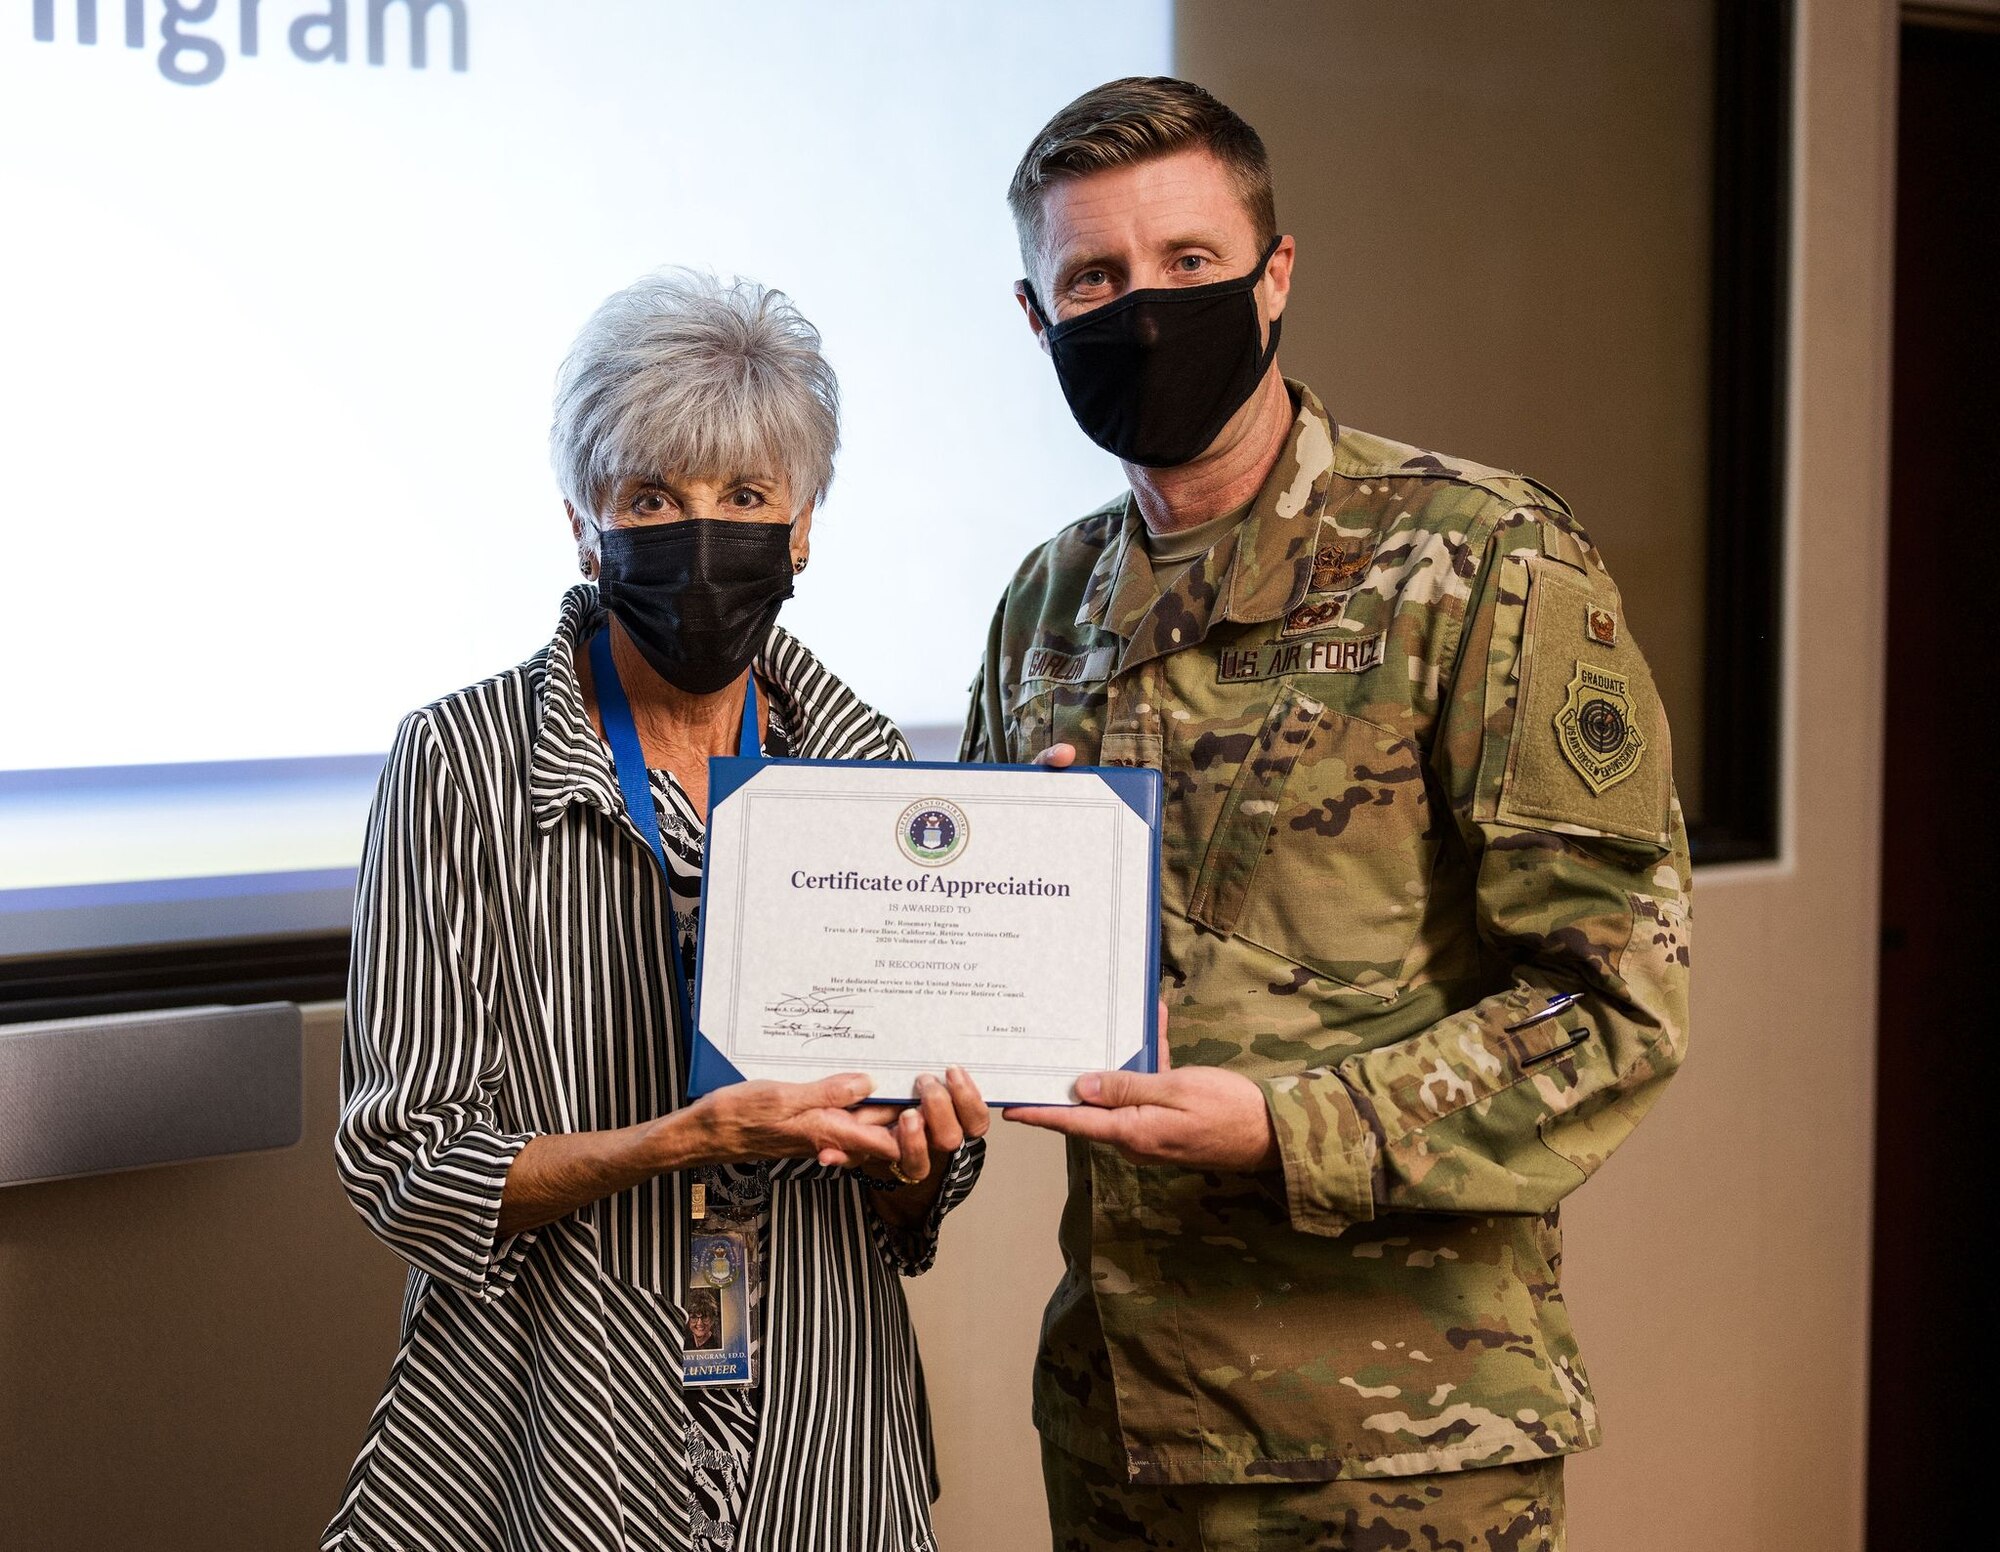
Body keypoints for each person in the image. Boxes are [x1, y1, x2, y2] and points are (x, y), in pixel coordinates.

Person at [966, 78, 1691, 1550]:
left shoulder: (1479, 558)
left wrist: (1294, 1127)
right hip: (1119, 1435)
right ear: (1038, 321)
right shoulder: (1046, 606)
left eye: (1188, 264)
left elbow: (1616, 1002)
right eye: (1092, 277)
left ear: (1275, 276)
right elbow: (994, 988)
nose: (1143, 310)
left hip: (1394, 1453)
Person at [327, 270, 988, 1552]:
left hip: (819, 1435)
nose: (702, 532)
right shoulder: (461, 760)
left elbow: (916, 1189)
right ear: (585, 526)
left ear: (803, 526)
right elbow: (402, 1166)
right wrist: (674, 1141)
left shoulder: (876, 773)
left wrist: (918, 1169)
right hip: (547, 1435)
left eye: (744, 497)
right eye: (651, 497)